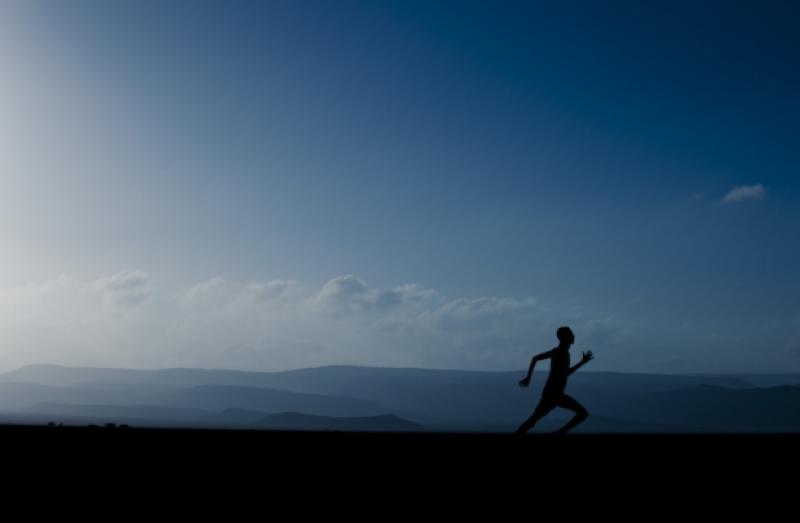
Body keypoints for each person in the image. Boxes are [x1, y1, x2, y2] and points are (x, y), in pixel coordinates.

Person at [515, 326, 593, 435]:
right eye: (571, 334)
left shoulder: (559, 352)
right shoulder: (561, 353)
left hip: (552, 393)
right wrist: (582, 362)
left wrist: (528, 378)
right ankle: (559, 433)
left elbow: (535, 358)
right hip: (554, 394)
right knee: (582, 413)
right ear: (565, 337)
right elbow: (566, 373)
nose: (573, 336)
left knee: (532, 420)